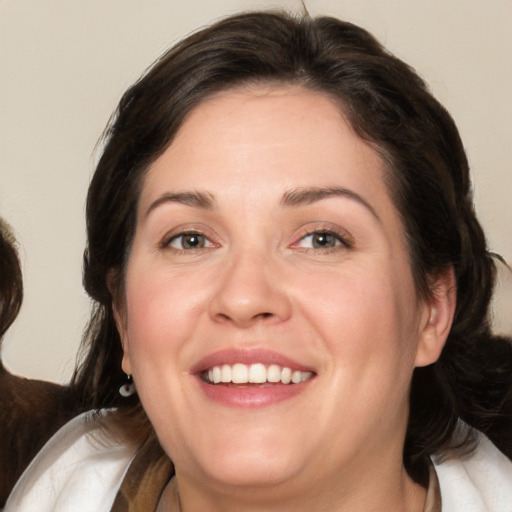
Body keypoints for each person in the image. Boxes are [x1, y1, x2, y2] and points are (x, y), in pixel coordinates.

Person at [4, 10, 512, 512]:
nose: (244, 297)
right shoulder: (42, 479)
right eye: (190, 240)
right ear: (123, 315)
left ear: (432, 311)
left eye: (321, 239)